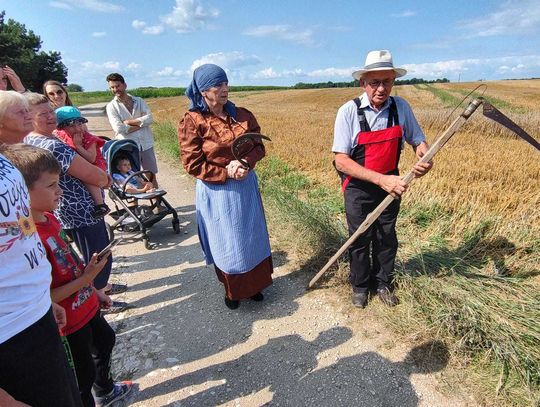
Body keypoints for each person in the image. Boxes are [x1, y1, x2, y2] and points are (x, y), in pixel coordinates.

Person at [2, 143, 133, 407]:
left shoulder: (50, 220)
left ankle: (106, 390)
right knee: (81, 377)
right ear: (21, 193)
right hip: (68, 318)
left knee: (105, 340)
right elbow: (48, 292)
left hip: (84, 303)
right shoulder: (30, 234)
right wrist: (86, 280)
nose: (59, 190)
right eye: (51, 186)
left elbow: (66, 261)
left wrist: (93, 289)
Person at [0, 90, 82, 406]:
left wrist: (42, 301)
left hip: (34, 312)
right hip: (11, 334)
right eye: (17, 109)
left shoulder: (7, 157)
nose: (27, 113)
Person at [332, 50, 433, 308]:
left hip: (391, 185)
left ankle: (384, 283)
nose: (380, 88)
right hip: (358, 187)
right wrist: (380, 180)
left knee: (386, 237)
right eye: (374, 82)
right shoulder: (348, 112)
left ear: (393, 82)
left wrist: (424, 155)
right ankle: (360, 286)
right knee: (359, 237)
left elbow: (418, 140)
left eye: (386, 82)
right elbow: (341, 161)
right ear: (363, 83)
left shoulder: (401, 107)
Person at [23, 92, 130, 313]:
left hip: (67, 209)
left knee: (86, 252)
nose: (51, 117)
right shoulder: (52, 146)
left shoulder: (33, 140)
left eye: (51, 112)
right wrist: (106, 179)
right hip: (81, 210)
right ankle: (99, 297)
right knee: (97, 254)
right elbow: (95, 176)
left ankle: (100, 291)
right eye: (43, 114)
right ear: (28, 117)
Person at [178, 64, 273, 309]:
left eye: (225, 83)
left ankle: (254, 286)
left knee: (251, 238)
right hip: (217, 191)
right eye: (217, 85)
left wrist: (245, 163)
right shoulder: (193, 121)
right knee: (228, 242)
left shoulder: (242, 114)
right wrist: (225, 172)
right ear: (202, 91)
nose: (224, 89)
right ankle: (233, 290)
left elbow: (258, 146)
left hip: (245, 187)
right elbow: (192, 164)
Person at [105, 73, 159, 188]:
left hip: (146, 143)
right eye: (112, 87)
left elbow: (149, 119)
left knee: (151, 174)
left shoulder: (138, 101)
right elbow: (118, 128)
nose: (115, 89)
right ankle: (134, 205)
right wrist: (140, 124)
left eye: (117, 86)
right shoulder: (111, 106)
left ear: (124, 85)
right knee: (129, 176)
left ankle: (158, 203)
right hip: (127, 146)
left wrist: (129, 122)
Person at [55, 106, 110, 218]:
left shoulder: (88, 138)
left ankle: (100, 205)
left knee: (89, 179)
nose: (77, 128)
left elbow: (91, 158)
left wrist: (79, 146)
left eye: (79, 124)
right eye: (71, 126)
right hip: (80, 164)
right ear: (62, 128)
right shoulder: (62, 136)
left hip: (95, 164)